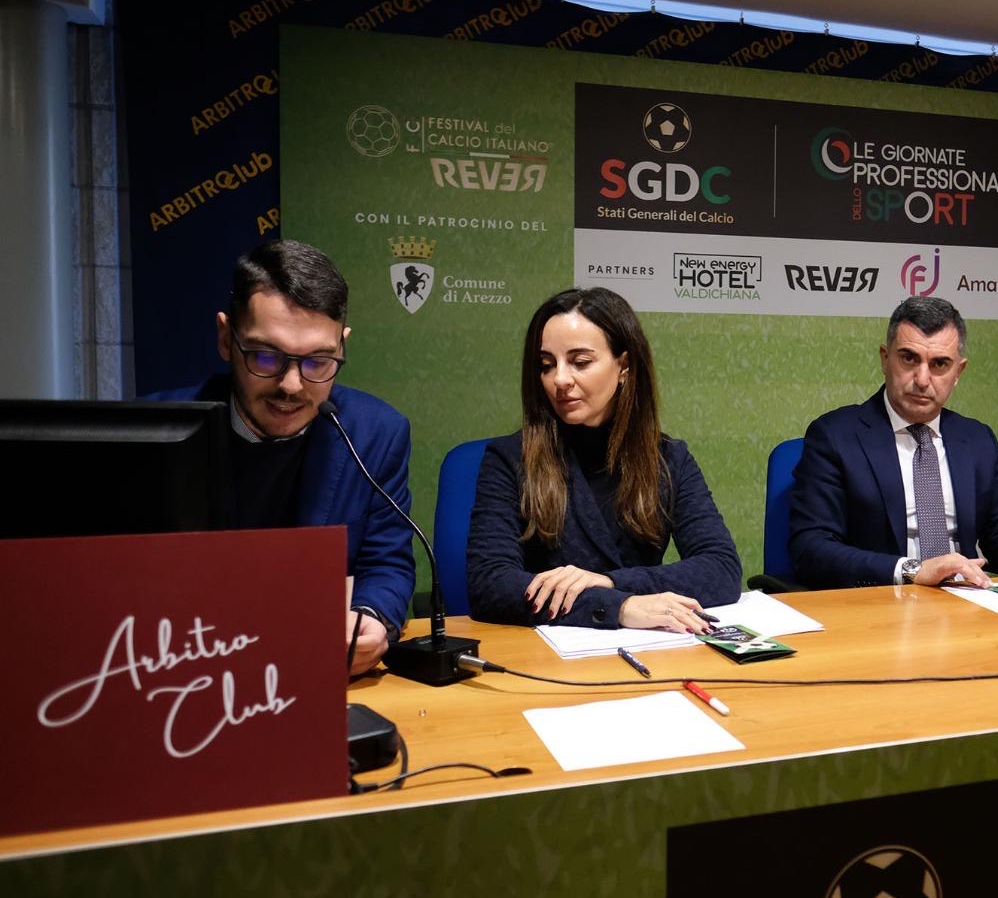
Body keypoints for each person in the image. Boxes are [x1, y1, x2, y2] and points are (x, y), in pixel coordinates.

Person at [153, 240, 415, 675]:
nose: (291, 385)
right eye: (265, 356)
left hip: (315, 671)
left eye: (318, 361)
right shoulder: (156, 435)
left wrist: (371, 618)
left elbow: (386, 562)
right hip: (183, 669)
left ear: (342, 345)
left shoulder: (377, 433)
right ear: (226, 338)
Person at [467, 287, 740, 631]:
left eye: (580, 362)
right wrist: (618, 606)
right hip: (548, 648)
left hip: (647, 646)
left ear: (624, 366)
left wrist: (612, 582)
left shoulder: (669, 458)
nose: (559, 379)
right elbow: (490, 584)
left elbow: (721, 569)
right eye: (546, 365)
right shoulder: (509, 458)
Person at [789, 296, 998, 590]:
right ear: (885, 358)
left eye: (939, 364)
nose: (922, 379)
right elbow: (810, 547)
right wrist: (912, 571)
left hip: (966, 601)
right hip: (880, 602)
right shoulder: (835, 436)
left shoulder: (977, 439)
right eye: (909, 358)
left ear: (958, 372)